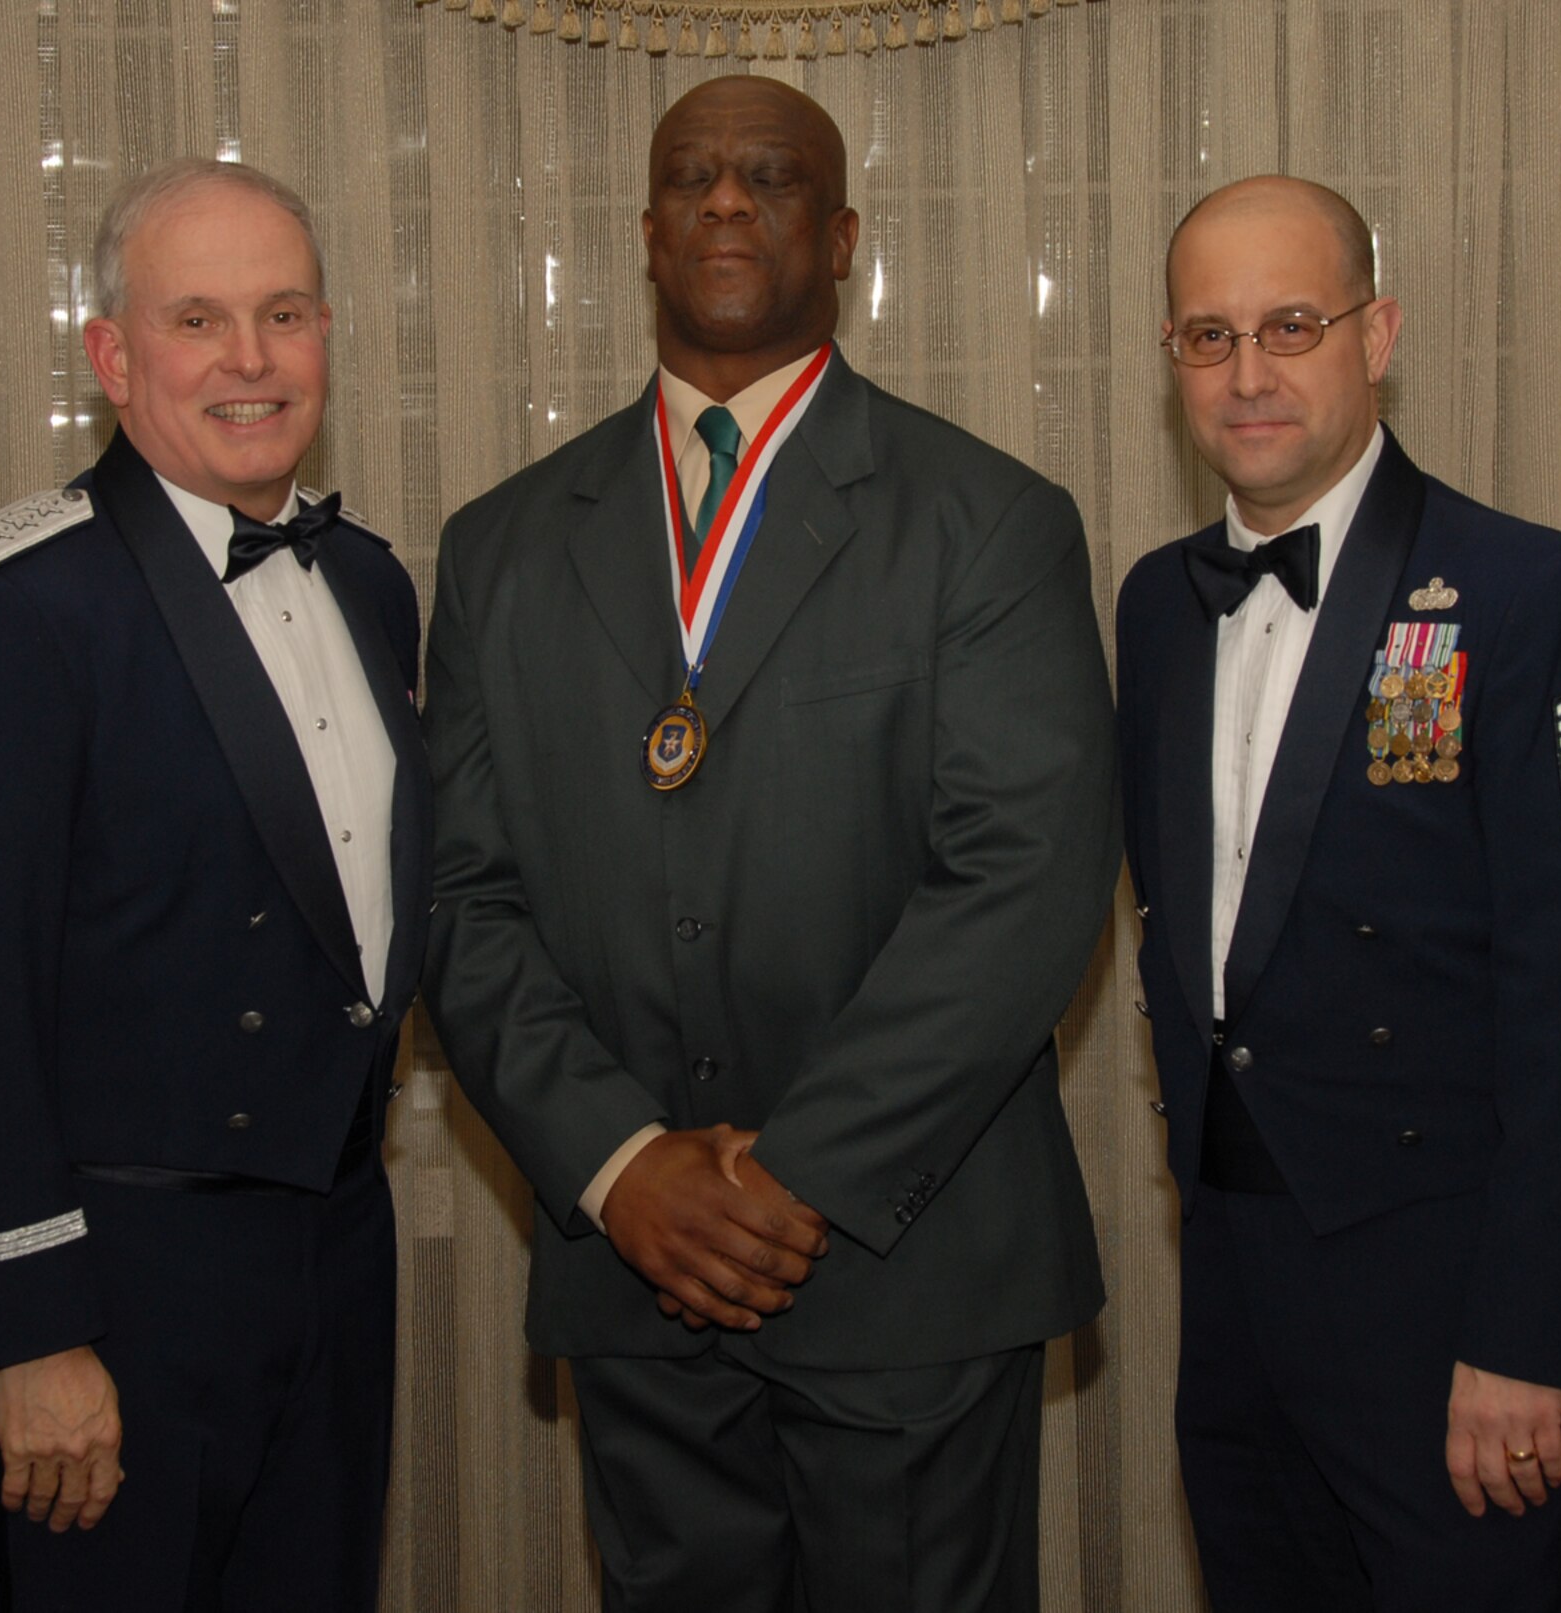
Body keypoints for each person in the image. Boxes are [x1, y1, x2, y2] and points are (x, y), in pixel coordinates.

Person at [422, 76, 1119, 1613]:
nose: (727, 200)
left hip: (907, 1277)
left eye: (771, 176)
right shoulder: (501, 547)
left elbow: (1025, 882)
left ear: (844, 235)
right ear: (647, 232)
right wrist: (623, 1168)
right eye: (692, 177)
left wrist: (795, 1178)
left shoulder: (988, 521)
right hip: (635, 1280)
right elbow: (463, 900)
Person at [0, 158, 431, 1612]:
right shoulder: (4, 601)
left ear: (324, 337)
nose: (250, 359)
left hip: (337, 1250)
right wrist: (25, 1333)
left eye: (283, 314)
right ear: (113, 357)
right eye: (198, 320)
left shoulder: (371, 584)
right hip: (118, 1291)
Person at [1117, 174, 1561, 1611]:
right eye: (1209, 335)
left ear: (1377, 337)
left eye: (1290, 326)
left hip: (1458, 1309)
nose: (1249, 374)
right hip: (1237, 1286)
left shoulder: (1529, 591)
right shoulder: (1156, 605)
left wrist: (1532, 1338)